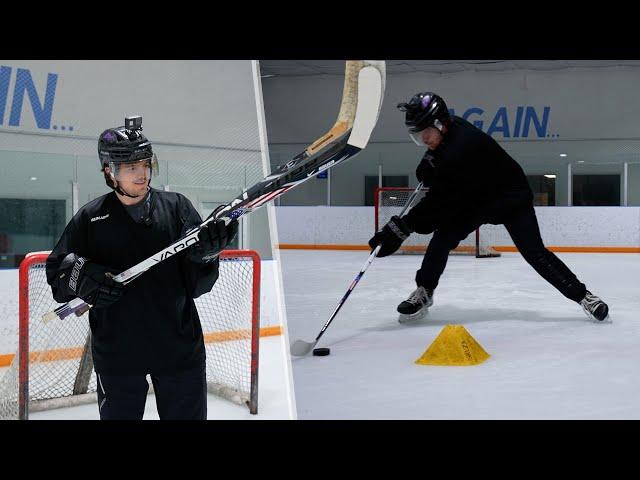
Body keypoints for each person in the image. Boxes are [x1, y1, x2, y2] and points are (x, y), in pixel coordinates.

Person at [45, 116, 238, 419]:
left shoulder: (177, 209)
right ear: (110, 172)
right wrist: (85, 279)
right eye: (132, 167)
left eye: (146, 165)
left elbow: (197, 286)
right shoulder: (91, 218)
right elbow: (58, 275)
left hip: (178, 349)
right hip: (118, 356)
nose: (142, 174)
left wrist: (208, 257)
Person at [368, 92, 609, 323]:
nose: (423, 140)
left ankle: (584, 297)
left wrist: (403, 227)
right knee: (442, 239)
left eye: (425, 133)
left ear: (440, 124)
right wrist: (430, 162)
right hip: (476, 200)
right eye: (417, 134)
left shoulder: (461, 148)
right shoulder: (451, 130)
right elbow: (441, 164)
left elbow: (439, 203)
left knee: (535, 253)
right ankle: (425, 291)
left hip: (510, 199)